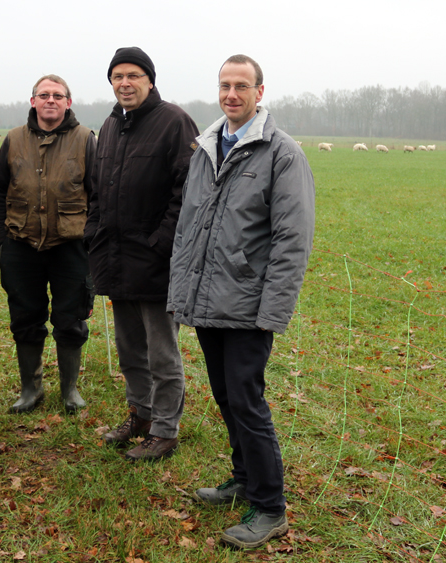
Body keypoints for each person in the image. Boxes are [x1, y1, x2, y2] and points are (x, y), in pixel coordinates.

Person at [167, 54, 315, 549]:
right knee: (227, 397)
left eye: (241, 86)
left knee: (248, 402)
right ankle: (243, 480)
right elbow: (189, 226)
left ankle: (271, 506)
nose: (232, 94)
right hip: (209, 301)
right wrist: (182, 292)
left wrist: (272, 312)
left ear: (260, 92)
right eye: (225, 86)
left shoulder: (282, 154)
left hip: (249, 309)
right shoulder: (206, 149)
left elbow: (291, 241)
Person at [85, 47, 199, 461]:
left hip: (155, 262)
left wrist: (160, 244)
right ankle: (141, 414)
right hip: (115, 258)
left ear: (150, 80)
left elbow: (186, 192)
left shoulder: (174, 122)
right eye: (117, 77)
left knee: (161, 352)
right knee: (130, 348)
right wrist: (93, 233)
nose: (124, 83)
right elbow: (98, 189)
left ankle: (166, 431)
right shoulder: (112, 125)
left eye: (133, 75)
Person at [0, 74, 96, 414]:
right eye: (44, 95)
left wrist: (91, 241)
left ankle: (69, 390)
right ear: (32, 101)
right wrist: (4, 239)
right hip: (21, 245)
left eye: (58, 95)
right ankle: (30, 389)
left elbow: (98, 195)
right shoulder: (14, 139)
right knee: (25, 317)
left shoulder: (85, 140)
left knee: (71, 319)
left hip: (71, 247)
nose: (51, 100)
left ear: (68, 102)